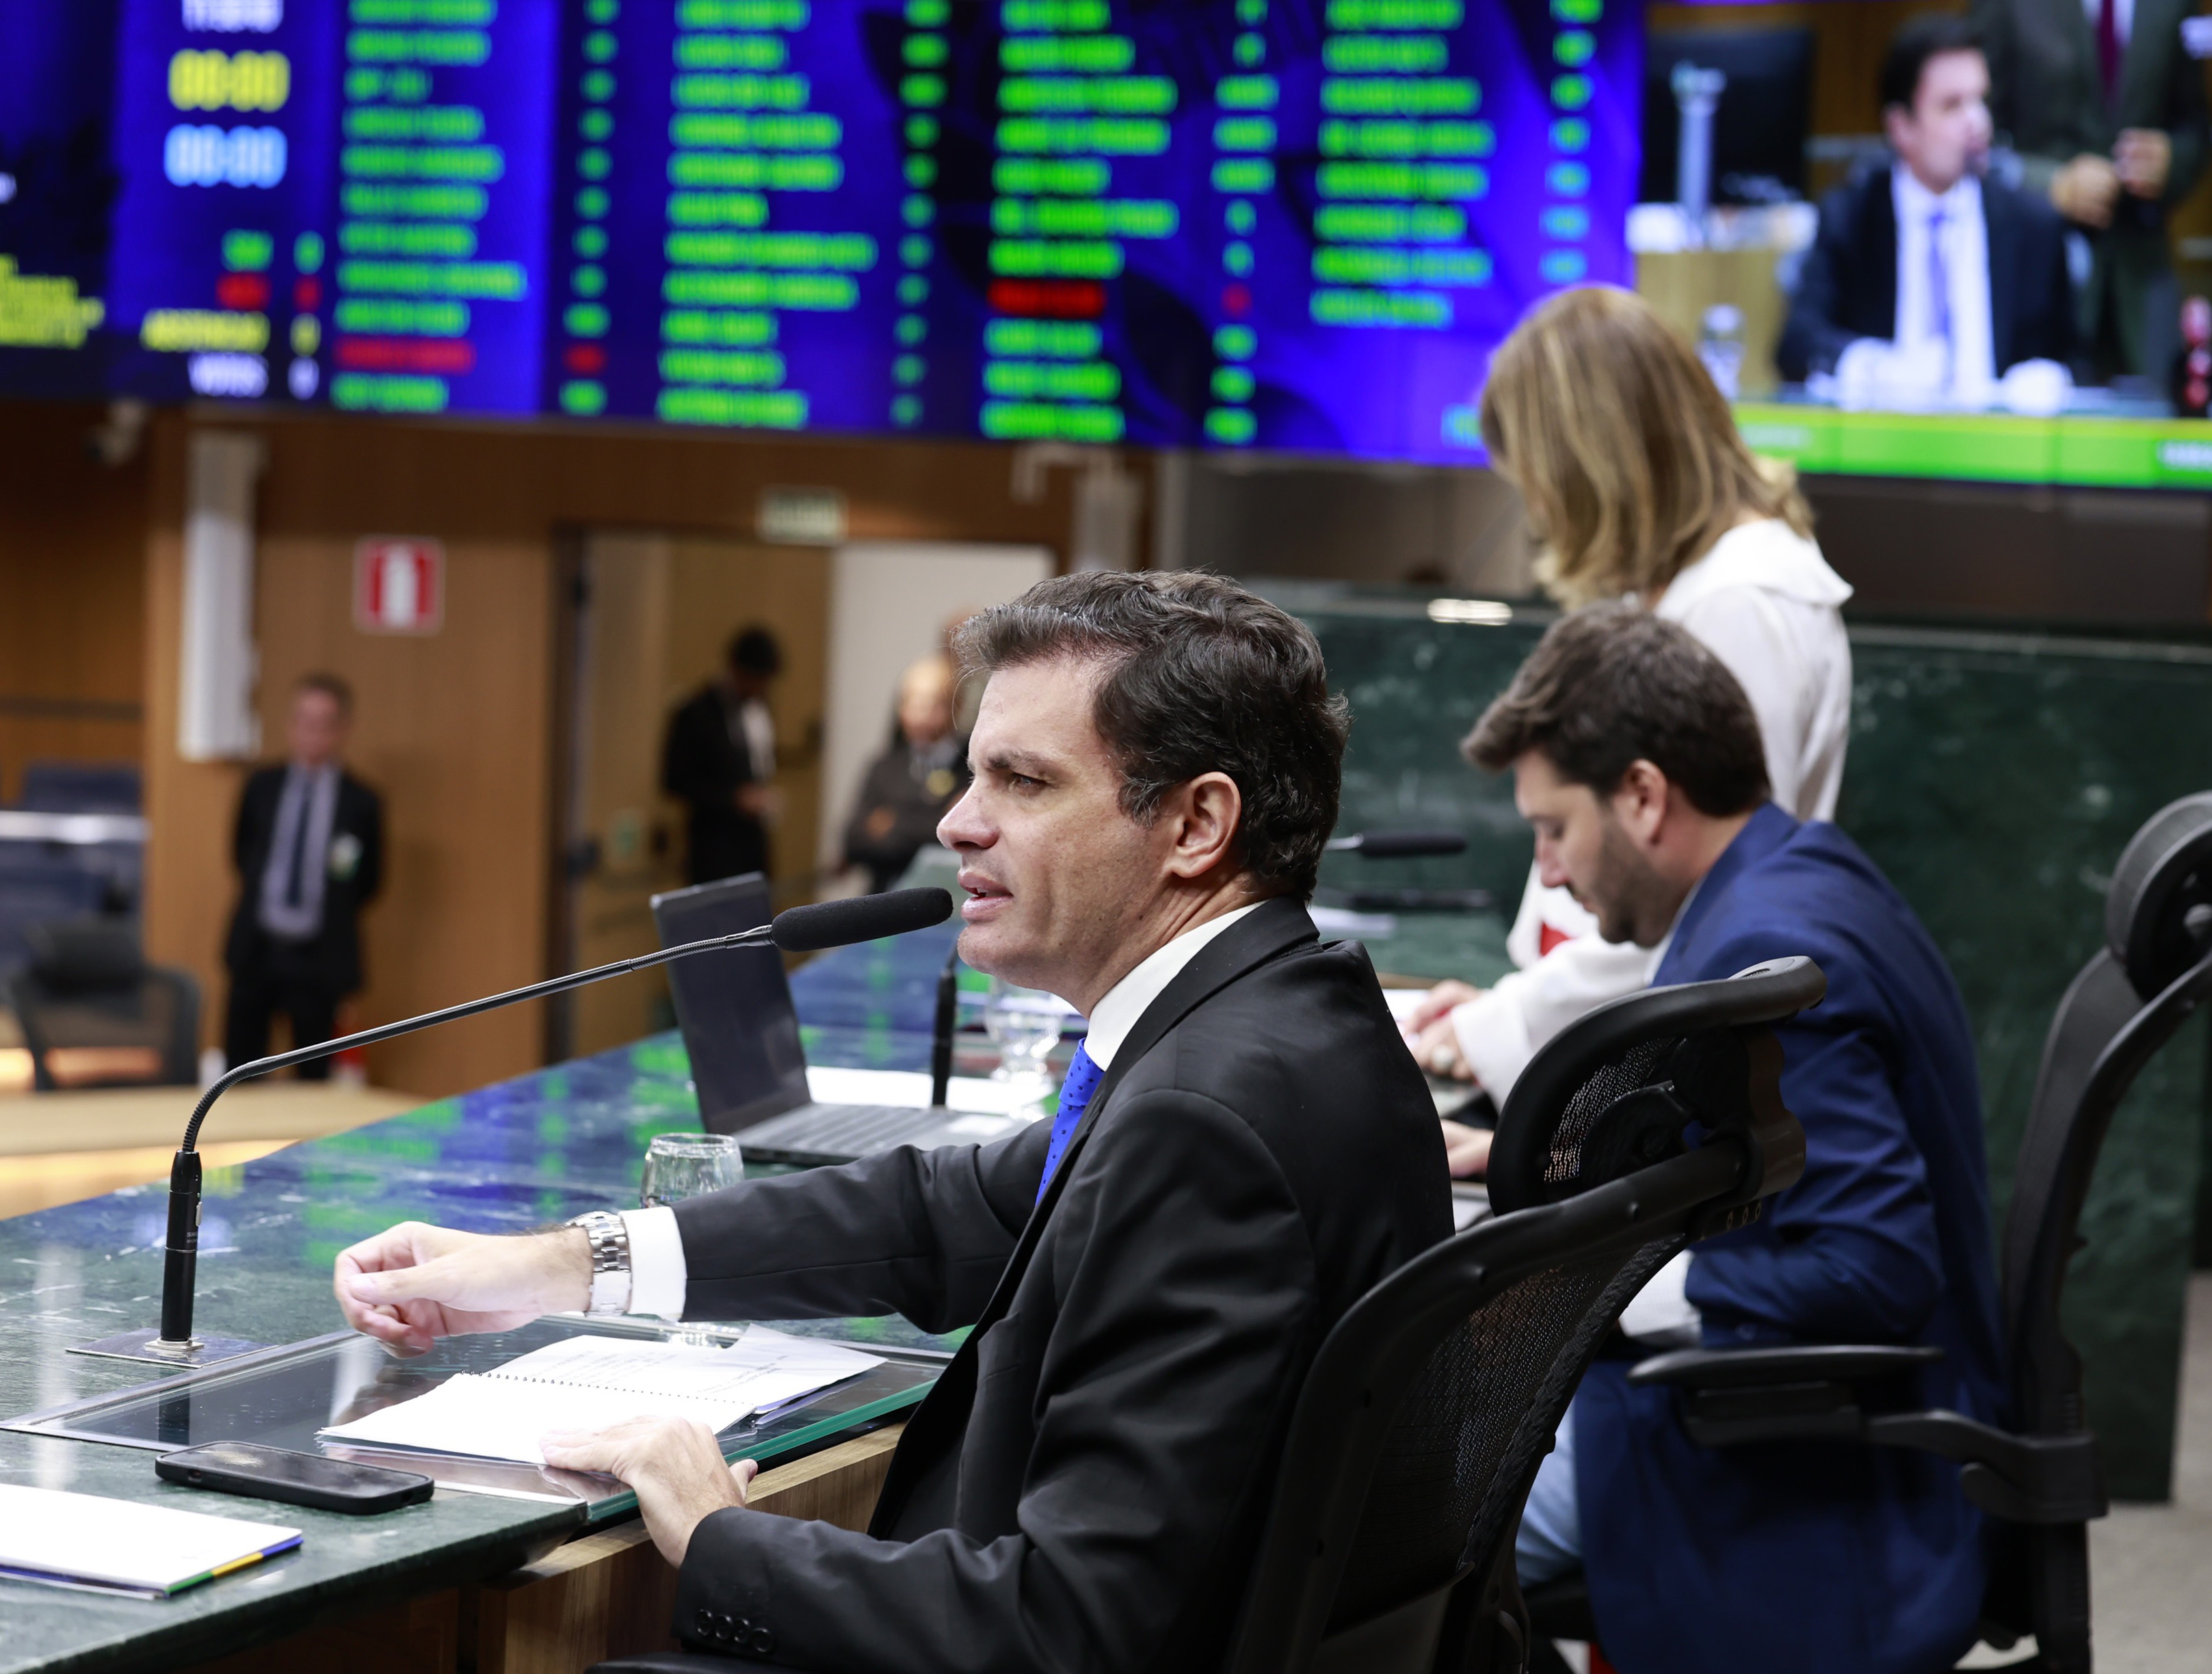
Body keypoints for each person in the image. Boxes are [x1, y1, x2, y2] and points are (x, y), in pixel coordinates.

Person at [330, 572, 1451, 1670]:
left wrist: (722, 1535)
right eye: (971, 775)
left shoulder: (1201, 1123)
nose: (957, 823)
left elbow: (1069, 1630)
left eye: (1022, 780)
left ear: (1196, 823)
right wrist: (563, 1265)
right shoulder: (1285, 1019)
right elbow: (937, 1215)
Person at [1478, 605, 2002, 1674]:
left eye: (1553, 829)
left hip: (1795, 1466)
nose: (1550, 871)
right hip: (1748, 1413)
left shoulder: (1767, 949)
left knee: (1358, 1530)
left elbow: (1869, 1266)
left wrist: (1597, 1286)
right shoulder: (1791, 870)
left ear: (1640, 795)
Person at [1402, 287, 1853, 1174]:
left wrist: (1502, 1027)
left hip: (1680, 1098)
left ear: (1592, 466)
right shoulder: (1696, 583)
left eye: (1539, 484)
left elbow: (1683, 889)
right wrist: (1504, 1010)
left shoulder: (1740, 604)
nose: (1538, 515)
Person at [1776, 15, 2077, 409]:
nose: (1978, 123)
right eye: (1952, 106)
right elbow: (1797, 344)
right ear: (1901, 127)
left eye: (1981, 101)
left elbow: (2076, 357)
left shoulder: (2033, 225)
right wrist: (1877, 368)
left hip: (2001, 440)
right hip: (1884, 437)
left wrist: (2049, 377)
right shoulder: (1850, 217)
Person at [1971, 0, 2212, 382]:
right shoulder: (2008, 7)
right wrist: (2051, 184)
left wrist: (2171, 160)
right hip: (2041, 274)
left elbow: (2197, 132)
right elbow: (1976, 138)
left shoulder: (2174, 6)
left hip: (2140, 265)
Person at [222, 674, 384, 1077]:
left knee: (312, 1075)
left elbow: (367, 882)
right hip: (258, 949)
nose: (311, 733)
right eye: (303, 721)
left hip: (319, 959)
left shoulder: (361, 802)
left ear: (342, 729)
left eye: (323, 723)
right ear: (290, 724)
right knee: (241, 1069)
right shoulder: (262, 785)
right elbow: (242, 854)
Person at [663, 626, 782, 885]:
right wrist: (733, 798)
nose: (761, 688)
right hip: (713, 850)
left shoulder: (756, 711)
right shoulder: (696, 713)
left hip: (752, 848)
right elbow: (674, 781)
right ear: (738, 670)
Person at [841, 654, 968, 892]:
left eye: (933, 705)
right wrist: (934, 819)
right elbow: (853, 842)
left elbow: (959, 837)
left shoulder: (971, 765)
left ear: (956, 706)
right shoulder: (885, 766)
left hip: (950, 895)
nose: (921, 716)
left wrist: (892, 823)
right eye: (912, 704)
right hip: (885, 894)